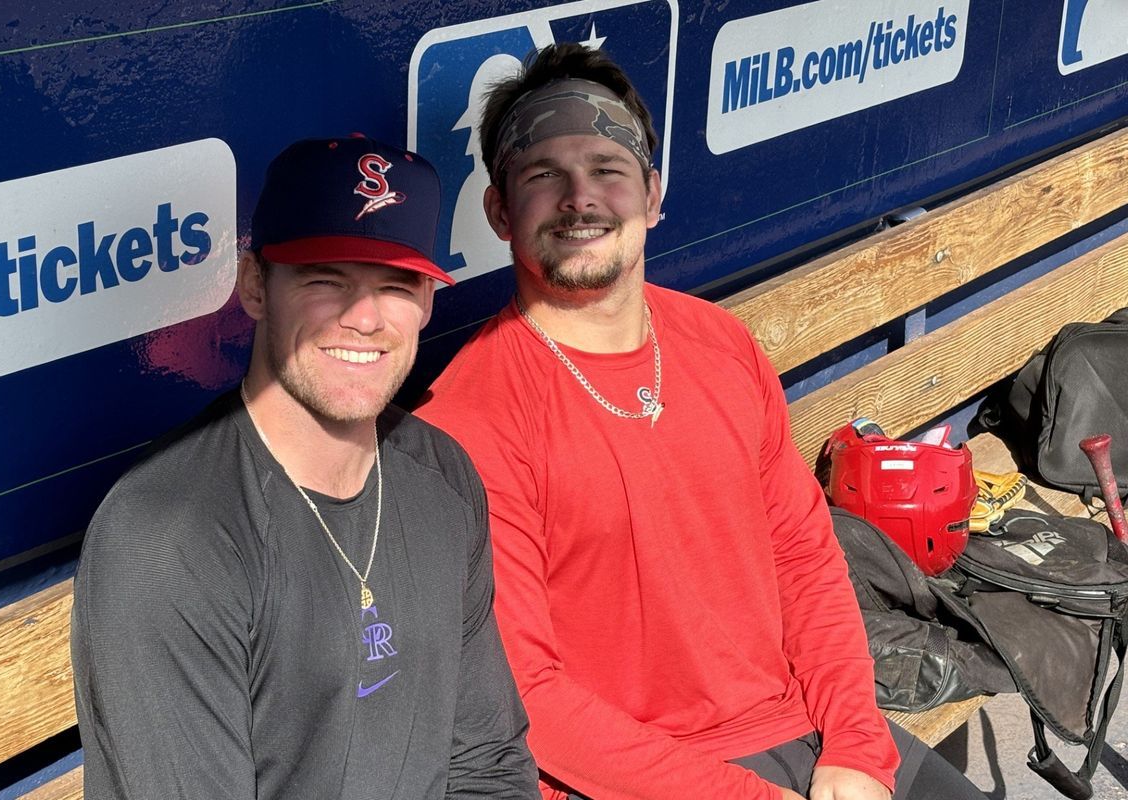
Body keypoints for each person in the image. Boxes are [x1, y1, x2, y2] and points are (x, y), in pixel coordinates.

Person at [416, 45, 987, 800]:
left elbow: (803, 555)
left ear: (652, 195)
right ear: (499, 211)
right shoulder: (470, 416)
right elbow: (529, 694)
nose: (580, 199)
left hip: (807, 728)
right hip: (630, 776)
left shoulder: (721, 343)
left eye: (607, 169)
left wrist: (855, 745)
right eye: (543, 175)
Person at [71, 135, 537, 799]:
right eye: (325, 280)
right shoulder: (167, 534)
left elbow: (487, 763)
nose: (364, 317)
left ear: (428, 302)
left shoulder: (440, 472)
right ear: (255, 285)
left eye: (396, 285)